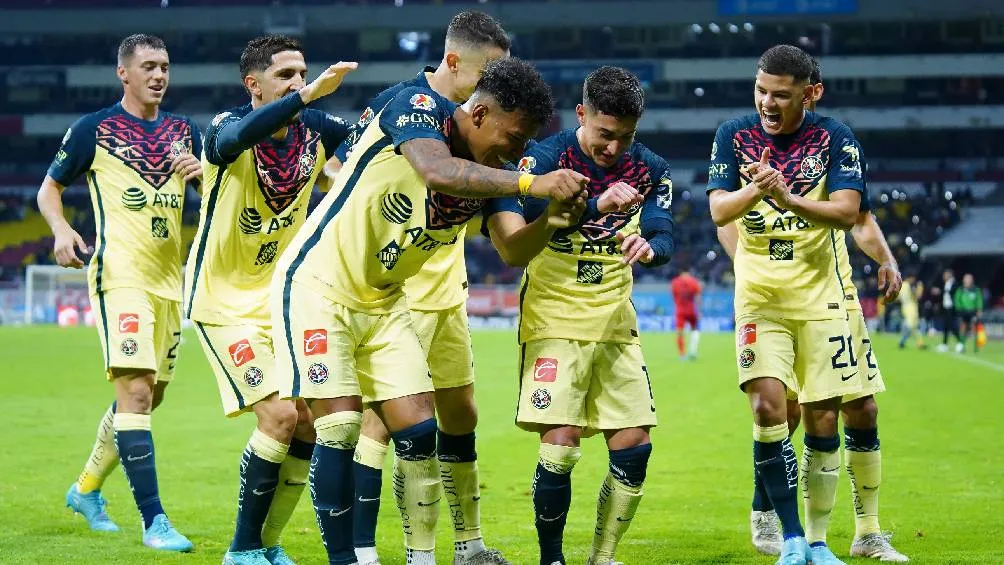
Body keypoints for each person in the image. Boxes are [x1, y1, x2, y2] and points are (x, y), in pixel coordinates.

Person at [271, 57, 588, 565]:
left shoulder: (493, 174)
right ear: (480, 114)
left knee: (421, 431)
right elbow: (437, 171)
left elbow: (512, 249)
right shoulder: (417, 108)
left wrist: (549, 221)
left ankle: (424, 559)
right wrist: (533, 186)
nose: (520, 149)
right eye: (515, 135)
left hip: (383, 300)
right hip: (318, 285)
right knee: (340, 426)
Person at [323, 12, 513, 565]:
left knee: (462, 413)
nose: (493, 88)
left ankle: (469, 544)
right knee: (384, 423)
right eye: (487, 73)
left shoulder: (478, 122)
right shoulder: (405, 104)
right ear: (454, 62)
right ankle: (363, 548)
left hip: (446, 288)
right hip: (397, 290)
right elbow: (341, 166)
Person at [718, 54, 909, 563]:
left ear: (811, 93)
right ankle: (776, 514)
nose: (766, 102)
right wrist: (749, 266)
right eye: (761, 90)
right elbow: (721, 213)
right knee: (775, 408)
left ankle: (858, 533)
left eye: (780, 93)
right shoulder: (734, 136)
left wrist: (885, 257)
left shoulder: (835, 138)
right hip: (762, 297)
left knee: (845, 410)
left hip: (826, 293)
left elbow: (853, 214)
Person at [484, 66, 672, 565]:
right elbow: (515, 235)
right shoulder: (541, 159)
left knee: (634, 448)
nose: (614, 149)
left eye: (625, 138)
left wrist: (650, 247)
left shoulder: (651, 167)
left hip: (615, 320)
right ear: (582, 114)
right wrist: (592, 202)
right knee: (561, 443)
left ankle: (602, 557)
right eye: (605, 135)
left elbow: (664, 230)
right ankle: (552, 559)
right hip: (553, 316)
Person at [183, 35, 355, 565]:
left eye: (302, 73)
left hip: (280, 299)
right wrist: (306, 98)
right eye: (285, 75)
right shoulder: (221, 129)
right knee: (280, 416)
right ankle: (240, 549)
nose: (299, 82)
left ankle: (268, 543)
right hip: (221, 301)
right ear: (252, 84)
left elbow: (369, 141)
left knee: (306, 419)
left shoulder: (316, 132)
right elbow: (235, 138)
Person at [38, 33, 200, 551]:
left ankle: (85, 489)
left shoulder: (184, 132)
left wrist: (203, 177)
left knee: (149, 397)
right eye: (149, 66)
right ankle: (155, 522)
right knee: (134, 391)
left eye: (165, 67)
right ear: (123, 73)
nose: (159, 75)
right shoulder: (94, 130)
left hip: (168, 283)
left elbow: (211, 194)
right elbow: (49, 188)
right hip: (120, 275)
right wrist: (62, 230)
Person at [670, 267, 702, 360]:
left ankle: (682, 354)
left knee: (680, 332)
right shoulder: (694, 281)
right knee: (694, 330)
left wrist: (677, 305)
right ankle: (693, 351)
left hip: (680, 310)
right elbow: (698, 298)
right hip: (692, 310)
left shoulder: (675, 282)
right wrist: (699, 311)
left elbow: (674, 297)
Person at [954, 273, 984, 353]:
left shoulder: (976, 290)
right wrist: (959, 308)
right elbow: (957, 299)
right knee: (963, 327)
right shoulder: (961, 289)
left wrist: (979, 309)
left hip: (973, 311)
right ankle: (961, 343)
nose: (968, 281)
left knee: (973, 328)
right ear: (964, 280)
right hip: (963, 311)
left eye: (969, 279)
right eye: (966, 279)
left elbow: (979, 300)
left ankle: (977, 345)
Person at [937, 269, 963, 353]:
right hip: (946, 307)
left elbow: (955, 293)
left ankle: (960, 342)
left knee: (952, 326)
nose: (944, 276)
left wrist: (943, 291)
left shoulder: (955, 283)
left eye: (945, 275)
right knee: (946, 326)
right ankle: (944, 344)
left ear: (950, 275)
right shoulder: (946, 284)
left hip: (952, 308)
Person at [898, 274, 923, 349]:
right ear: (910, 278)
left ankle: (920, 343)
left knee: (914, 326)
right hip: (911, 307)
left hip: (905, 307)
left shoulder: (901, 285)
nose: (914, 280)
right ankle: (902, 341)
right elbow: (916, 296)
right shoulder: (909, 286)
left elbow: (898, 298)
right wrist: (920, 288)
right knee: (911, 326)